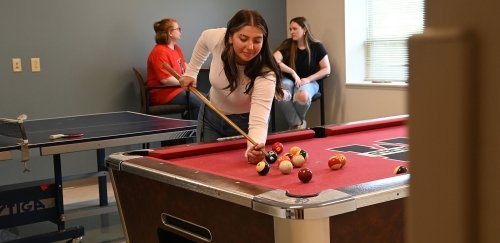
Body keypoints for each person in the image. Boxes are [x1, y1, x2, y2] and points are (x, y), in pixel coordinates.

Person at [179, 9, 283, 164]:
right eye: (243, 38)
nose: (250, 47)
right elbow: (203, 39)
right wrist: (191, 72)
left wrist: (253, 150)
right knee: (206, 166)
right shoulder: (219, 39)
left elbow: (258, 122)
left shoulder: (266, 74)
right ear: (230, 37)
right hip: (211, 116)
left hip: (245, 123)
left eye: (257, 40)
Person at [274, 16, 331, 129]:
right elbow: (274, 60)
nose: (291, 32)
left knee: (303, 95)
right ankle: (299, 125)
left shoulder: (317, 46)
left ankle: (294, 126)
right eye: (290, 29)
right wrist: (293, 73)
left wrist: (308, 79)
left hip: (309, 82)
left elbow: (326, 69)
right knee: (281, 94)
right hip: (289, 80)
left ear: (304, 29)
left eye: (295, 29)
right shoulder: (287, 44)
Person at [146, 18, 201, 120]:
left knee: (206, 99)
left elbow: (185, 66)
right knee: (201, 102)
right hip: (165, 94)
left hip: (179, 90)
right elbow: (165, 80)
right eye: (178, 29)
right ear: (170, 33)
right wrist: (185, 82)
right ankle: (189, 132)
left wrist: (191, 77)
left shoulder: (176, 48)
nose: (181, 31)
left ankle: (187, 129)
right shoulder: (159, 52)